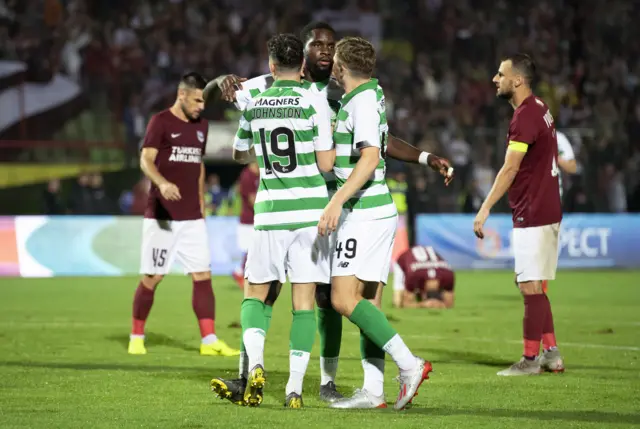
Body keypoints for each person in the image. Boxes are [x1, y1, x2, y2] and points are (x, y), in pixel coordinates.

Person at [206, 22, 453, 405]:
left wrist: (423, 156)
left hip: (338, 208)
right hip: (327, 210)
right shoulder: (292, 87)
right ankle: (248, 374)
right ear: (302, 54)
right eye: (317, 44)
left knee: (333, 298)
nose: (324, 50)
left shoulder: (346, 97)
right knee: (291, 294)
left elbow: (377, 144)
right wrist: (224, 80)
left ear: (339, 59)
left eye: (330, 45)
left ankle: (330, 379)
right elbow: (231, 87)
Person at [317, 36, 432, 411]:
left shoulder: (362, 102)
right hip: (375, 212)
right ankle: (373, 391)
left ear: (340, 67)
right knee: (368, 303)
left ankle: (409, 364)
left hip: (363, 214)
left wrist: (337, 199)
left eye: (334, 60)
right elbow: (379, 146)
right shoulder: (370, 95)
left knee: (341, 298)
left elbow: (368, 158)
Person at [230, 33, 335, 408]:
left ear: (271, 66)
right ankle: (294, 390)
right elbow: (325, 164)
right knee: (304, 302)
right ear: (303, 66)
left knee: (255, 293)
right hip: (312, 215)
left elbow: (239, 155)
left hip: (271, 212)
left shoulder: (255, 103)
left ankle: (256, 365)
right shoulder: (315, 101)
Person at [128, 72, 239, 358]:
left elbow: (198, 165)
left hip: (192, 217)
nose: (202, 106)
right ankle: (137, 335)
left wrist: (200, 202)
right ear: (182, 95)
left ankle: (209, 339)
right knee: (153, 277)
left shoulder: (202, 126)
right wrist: (162, 183)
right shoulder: (160, 121)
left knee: (203, 276)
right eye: (197, 100)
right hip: (162, 218)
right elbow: (146, 159)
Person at [473, 54, 565, 376]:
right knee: (533, 283)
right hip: (545, 206)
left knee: (528, 285)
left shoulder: (525, 116)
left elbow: (510, 167)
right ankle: (551, 354)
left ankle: (529, 360)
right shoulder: (539, 107)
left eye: (501, 74)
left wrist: (484, 208)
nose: (495, 79)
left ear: (518, 80)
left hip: (534, 210)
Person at [231, 162, 259, 288]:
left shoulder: (260, 173)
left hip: (255, 219)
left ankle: (241, 272)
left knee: (253, 249)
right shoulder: (247, 176)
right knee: (251, 249)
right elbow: (252, 200)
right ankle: (240, 272)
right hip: (249, 220)